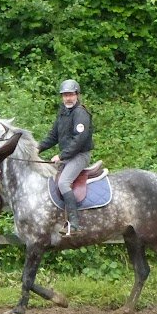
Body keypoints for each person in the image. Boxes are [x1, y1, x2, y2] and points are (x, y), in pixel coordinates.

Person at [37, 79, 94, 236]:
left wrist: (62, 155)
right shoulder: (63, 112)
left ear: (77, 95)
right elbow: (53, 136)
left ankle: (75, 224)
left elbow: (79, 139)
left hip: (80, 155)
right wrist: (38, 148)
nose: (68, 98)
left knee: (63, 183)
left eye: (70, 95)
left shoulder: (80, 113)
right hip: (68, 156)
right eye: (65, 95)